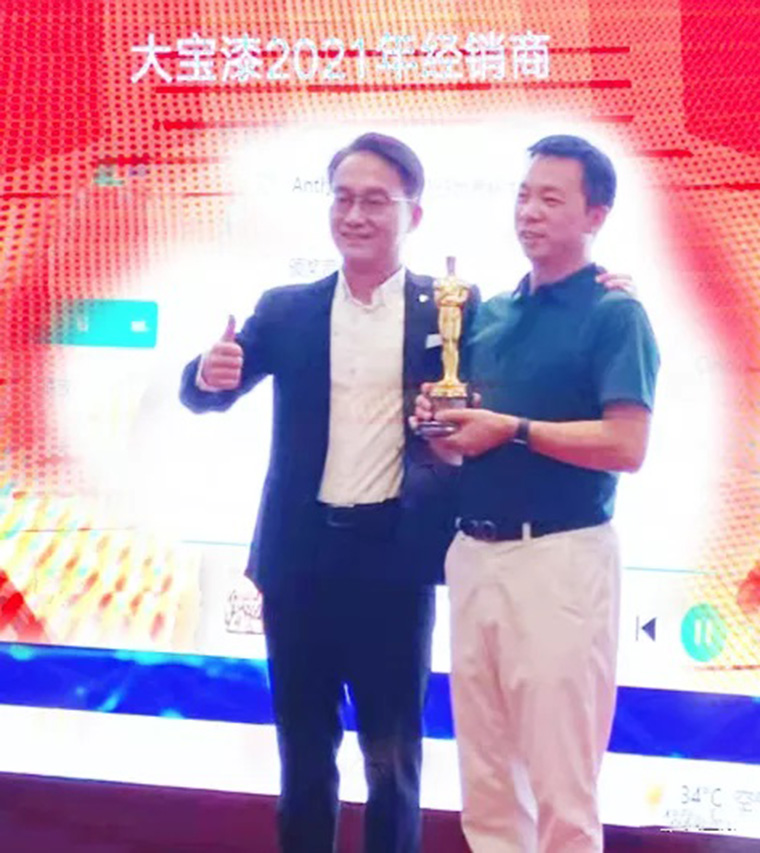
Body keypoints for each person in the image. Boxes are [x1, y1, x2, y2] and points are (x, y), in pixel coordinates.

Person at [179, 133, 466, 853]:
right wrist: (206, 374)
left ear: (413, 214)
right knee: (304, 756)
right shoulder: (288, 309)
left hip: (394, 564)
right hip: (300, 563)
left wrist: (604, 286)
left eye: (375, 201)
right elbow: (211, 390)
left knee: (394, 761)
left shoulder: (450, 310)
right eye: (343, 198)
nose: (355, 215)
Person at [413, 134, 660, 852]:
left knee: (562, 787)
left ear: (596, 215)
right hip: (474, 554)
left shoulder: (615, 313)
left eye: (551, 198)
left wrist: (514, 429)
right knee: (487, 783)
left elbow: (628, 445)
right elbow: (467, 445)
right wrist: (443, 429)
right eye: (524, 196)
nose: (530, 212)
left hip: (560, 561)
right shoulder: (488, 314)